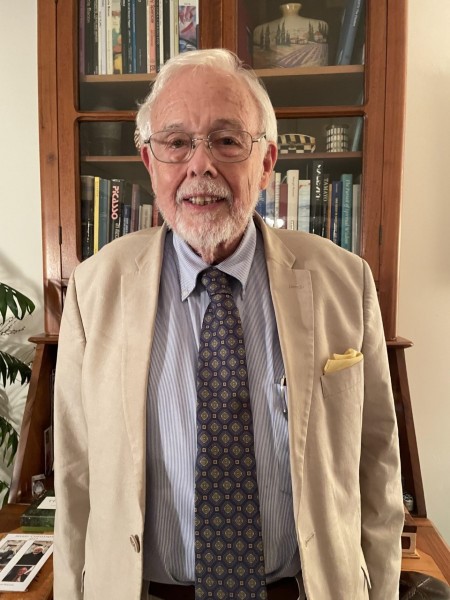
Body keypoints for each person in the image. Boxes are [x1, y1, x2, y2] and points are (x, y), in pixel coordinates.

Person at [53, 48, 404, 600]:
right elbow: (75, 479)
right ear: (150, 162)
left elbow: (377, 467)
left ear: (266, 162)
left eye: (227, 139)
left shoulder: (345, 282)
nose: (201, 166)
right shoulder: (95, 289)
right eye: (176, 142)